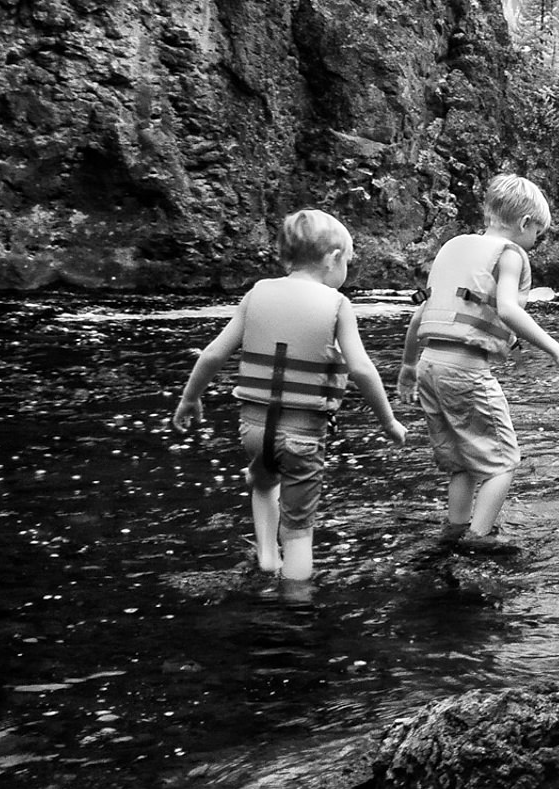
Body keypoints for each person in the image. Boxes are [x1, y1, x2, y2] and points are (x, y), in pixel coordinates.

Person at [172, 209, 406, 582]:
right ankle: (294, 608)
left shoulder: (257, 293)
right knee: (299, 532)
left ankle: (266, 558)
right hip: (302, 435)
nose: (346, 269)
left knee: (262, 480)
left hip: (253, 429)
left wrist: (189, 398)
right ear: (332, 259)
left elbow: (214, 354)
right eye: (347, 260)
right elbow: (361, 369)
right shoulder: (337, 305)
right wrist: (388, 420)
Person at [396, 174, 559, 558]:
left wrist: (407, 367)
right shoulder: (511, 254)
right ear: (525, 223)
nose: (536, 242)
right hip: (465, 370)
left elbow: (421, 316)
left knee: (461, 461)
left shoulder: (453, 248)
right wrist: (558, 352)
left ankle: (454, 530)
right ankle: (479, 540)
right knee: (503, 463)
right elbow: (508, 309)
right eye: (538, 234)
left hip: (430, 366)